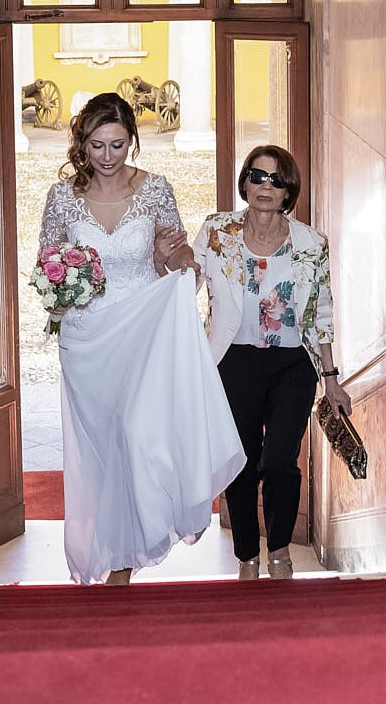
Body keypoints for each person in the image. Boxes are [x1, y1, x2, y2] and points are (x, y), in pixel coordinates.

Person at [38, 93, 244, 585]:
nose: (107, 156)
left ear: (132, 139)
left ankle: (127, 560)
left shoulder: (155, 190)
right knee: (102, 449)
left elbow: (175, 258)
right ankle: (111, 550)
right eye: (97, 145)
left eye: (117, 144)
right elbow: (46, 265)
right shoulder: (61, 197)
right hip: (87, 339)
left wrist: (180, 262)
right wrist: (60, 296)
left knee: (136, 434)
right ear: (82, 144)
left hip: (145, 332)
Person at [194, 145, 350, 581]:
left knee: (281, 459)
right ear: (245, 182)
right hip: (234, 361)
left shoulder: (311, 243)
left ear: (288, 191)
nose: (266, 186)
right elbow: (187, 282)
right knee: (241, 461)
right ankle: (247, 555)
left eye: (276, 180)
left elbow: (321, 312)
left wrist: (331, 379)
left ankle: (279, 549)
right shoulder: (217, 231)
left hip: (292, 364)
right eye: (258, 176)